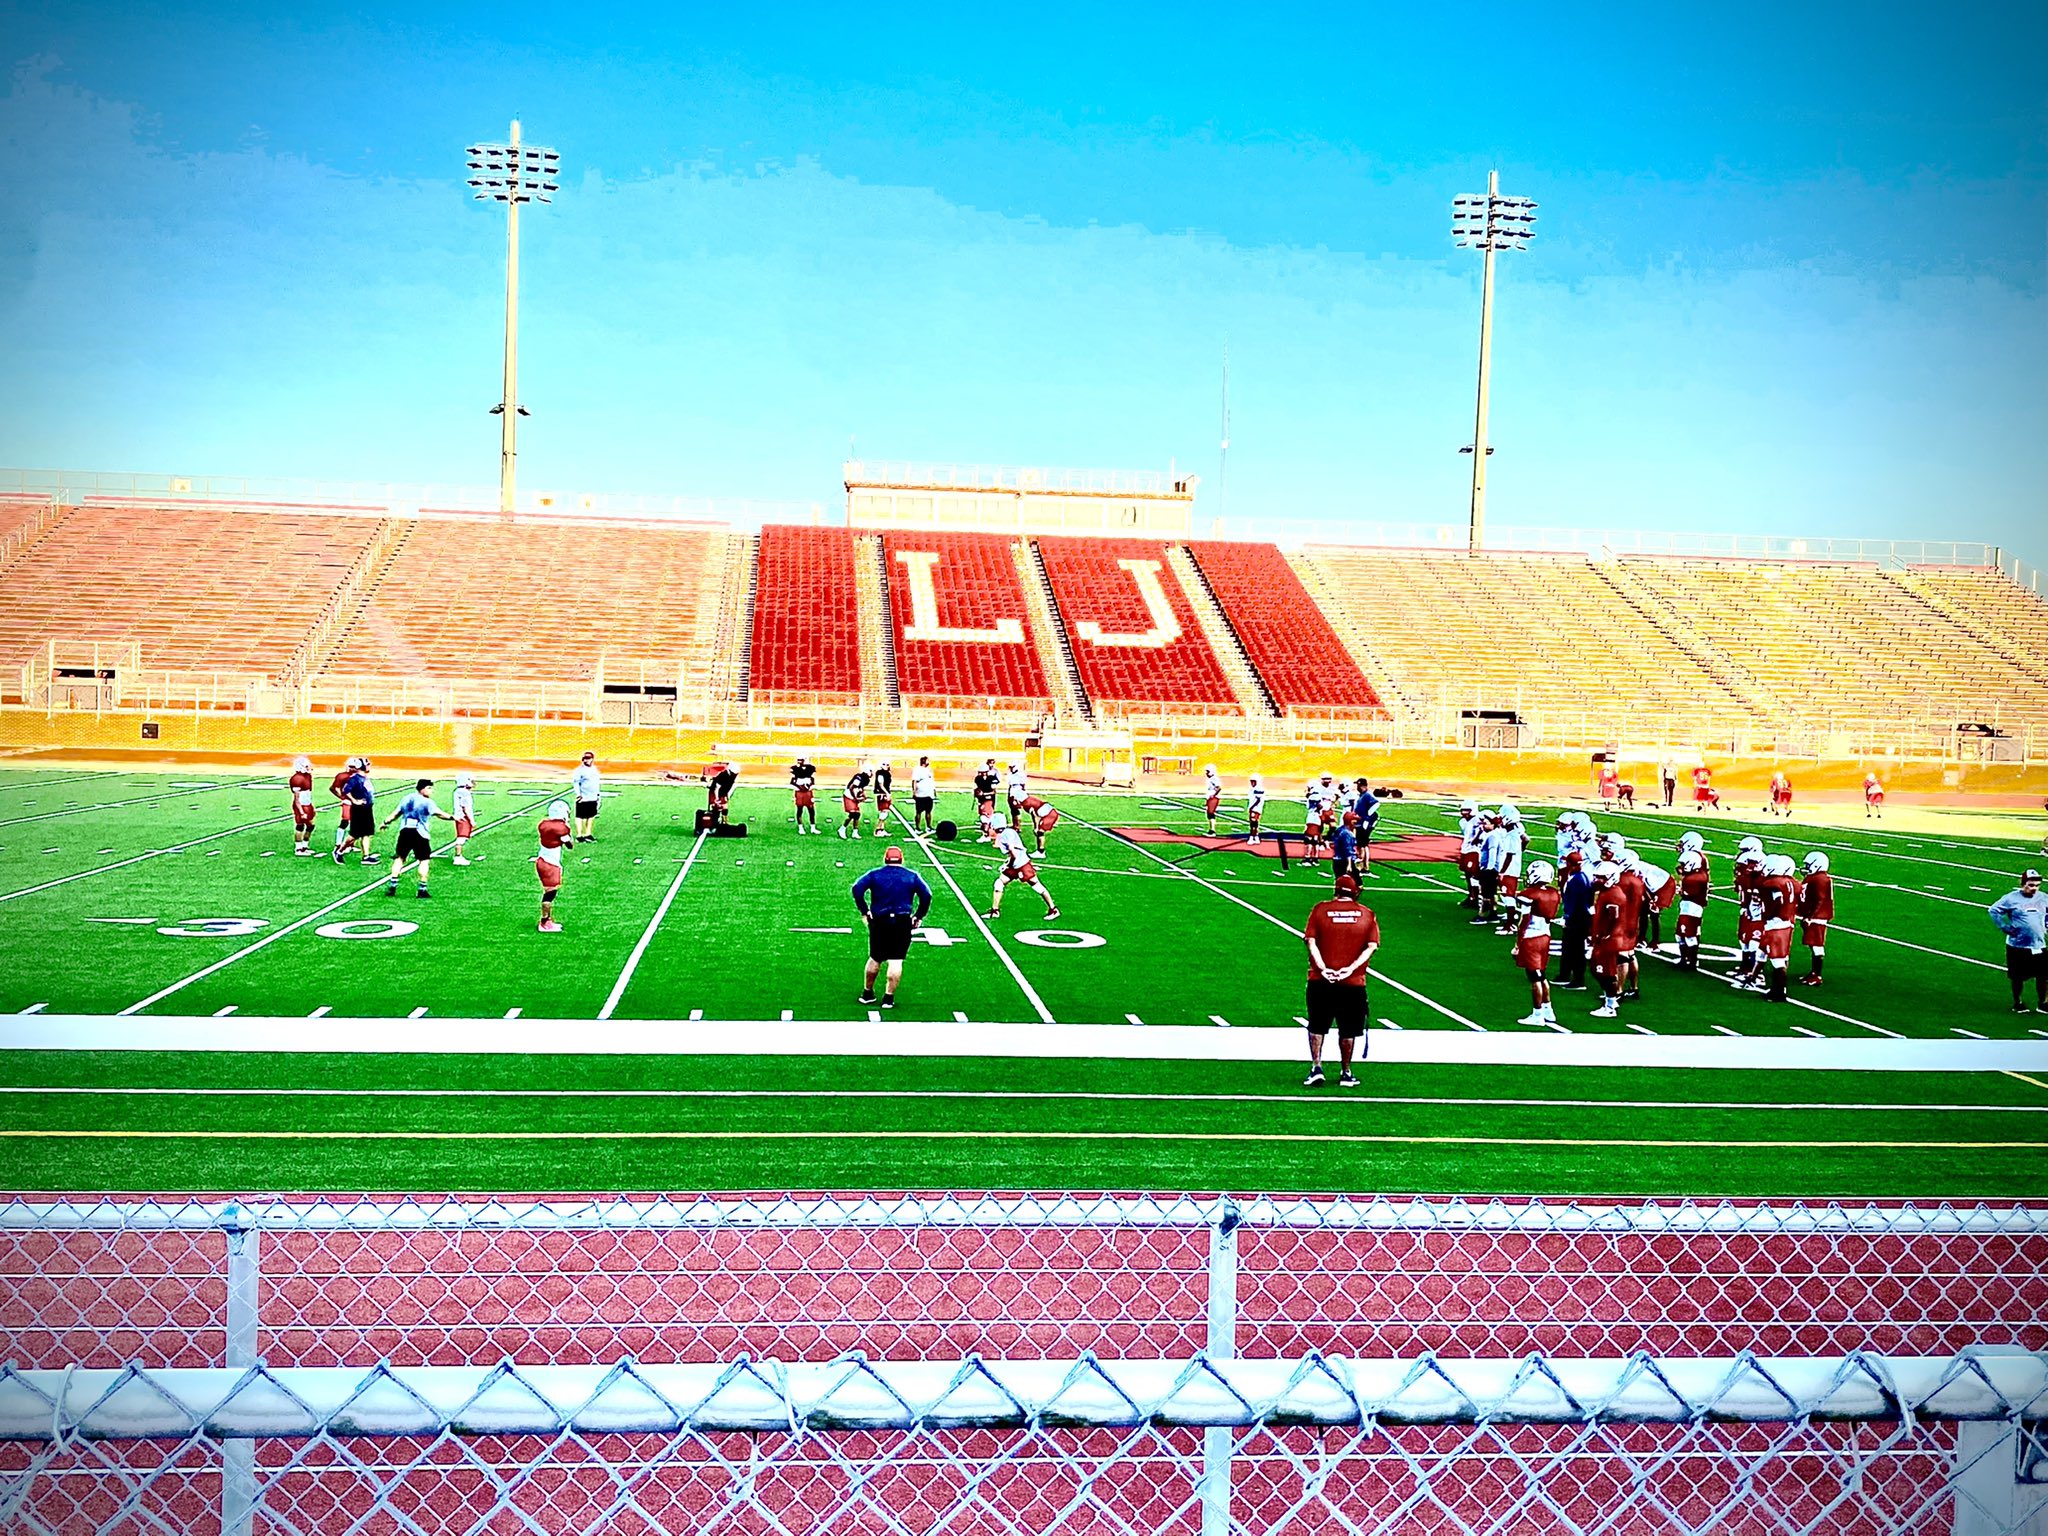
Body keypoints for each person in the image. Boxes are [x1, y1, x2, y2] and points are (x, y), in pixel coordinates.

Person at [1301, 873, 1379, 1088]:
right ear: (1355, 891)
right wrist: (1350, 970)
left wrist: (1324, 968)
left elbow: (1310, 941)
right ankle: (1346, 1071)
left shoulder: (1320, 909)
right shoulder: (1366, 914)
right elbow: (1371, 947)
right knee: (1349, 1028)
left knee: (1317, 1024)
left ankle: (1316, 1067)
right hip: (1353, 983)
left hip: (1320, 980)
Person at [851, 845, 933, 1008]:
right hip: (902, 921)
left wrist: (865, 911)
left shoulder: (875, 875)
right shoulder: (911, 876)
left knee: (875, 957)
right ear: (902, 859)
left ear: (885, 859)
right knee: (896, 960)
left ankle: (868, 993)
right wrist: (918, 916)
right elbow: (926, 895)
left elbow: (857, 889)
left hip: (880, 920)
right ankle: (888, 998)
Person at [379, 777, 455, 898]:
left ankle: (392, 886)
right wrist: (452, 817)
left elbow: (395, 814)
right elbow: (440, 814)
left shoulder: (406, 798)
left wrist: (385, 822)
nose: (431, 791)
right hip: (421, 833)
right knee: (424, 860)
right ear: (422, 789)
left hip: (405, 832)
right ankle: (422, 889)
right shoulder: (427, 802)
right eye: (429, 788)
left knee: (400, 858)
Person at [1988, 869, 2047, 1014]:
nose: (2034, 888)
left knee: (2045, 976)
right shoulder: (2011, 898)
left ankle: (2044, 1003)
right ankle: (2018, 1002)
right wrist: (2004, 927)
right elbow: (1993, 910)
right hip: (2018, 945)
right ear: (2023, 883)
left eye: (2037, 885)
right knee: (2017, 977)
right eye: (2031, 885)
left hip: (2039, 944)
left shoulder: (2044, 898)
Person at [1512, 861, 1561, 1028]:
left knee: (1534, 977)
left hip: (1532, 937)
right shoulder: (1554, 893)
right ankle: (1548, 1010)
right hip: (1546, 935)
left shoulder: (1529, 894)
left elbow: (1524, 921)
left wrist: (1518, 944)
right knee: (1542, 975)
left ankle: (1537, 1013)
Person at [985, 824, 1059, 922]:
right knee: (999, 883)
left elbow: (1013, 852)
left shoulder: (1004, 835)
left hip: (1022, 865)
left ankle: (1053, 909)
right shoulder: (1008, 832)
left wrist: (1008, 864)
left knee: (1037, 886)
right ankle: (995, 910)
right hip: (1016, 864)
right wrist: (1008, 863)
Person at [1755, 853, 1800, 1002]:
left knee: (1777, 961)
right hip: (1786, 923)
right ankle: (1776, 988)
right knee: (1775, 957)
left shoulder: (1772, 883)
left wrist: (1770, 913)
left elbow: (1778, 899)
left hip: (1776, 924)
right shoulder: (1792, 882)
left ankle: (1779, 992)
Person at [1588, 862, 1628, 1018]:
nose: (1597, 880)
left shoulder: (1613, 894)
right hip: (1606, 938)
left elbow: (1613, 916)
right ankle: (1610, 1000)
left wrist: (1605, 934)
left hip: (1609, 939)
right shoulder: (1607, 892)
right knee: (1598, 970)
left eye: (1601, 877)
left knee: (1606, 973)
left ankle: (1610, 1005)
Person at [1556, 851, 1593, 990]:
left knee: (1575, 949)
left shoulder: (1577, 880)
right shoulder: (1581, 877)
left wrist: (1568, 918)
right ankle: (1565, 975)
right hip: (1580, 917)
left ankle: (1578, 979)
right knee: (1569, 947)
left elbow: (1575, 902)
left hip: (1577, 918)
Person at [533, 799, 573, 932]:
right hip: (550, 863)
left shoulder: (543, 824)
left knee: (549, 892)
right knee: (550, 893)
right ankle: (544, 922)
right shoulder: (561, 827)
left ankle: (547, 920)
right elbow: (569, 845)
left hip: (542, 860)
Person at [1797, 851, 1833, 985]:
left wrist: (1810, 916)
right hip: (1813, 915)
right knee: (1813, 944)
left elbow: (1820, 899)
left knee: (1816, 945)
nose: (1806, 867)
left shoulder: (1820, 879)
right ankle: (1813, 973)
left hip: (1816, 917)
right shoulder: (1815, 878)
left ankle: (1816, 975)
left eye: (1808, 864)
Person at [334, 757, 379, 865]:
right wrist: (355, 801)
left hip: (367, 808)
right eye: (367, 765)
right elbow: (346, 790)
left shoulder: (364, 777)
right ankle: (339, 851)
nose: (369, 767)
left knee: (367, 833)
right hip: (359, 810)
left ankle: (366, 856)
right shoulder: (355, 779)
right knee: (354, 834)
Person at [1673, 848, 1709, 971]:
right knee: (1681, 935)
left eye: (1684, 864)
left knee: (1689, 935)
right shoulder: (1696, 875)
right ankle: (1686, 959)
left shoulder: (1694, 878)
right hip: (1688, 907)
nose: (1681, 866)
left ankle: (1691, 961)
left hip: (1692, 909)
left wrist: (1680, 891)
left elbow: (1687, 893)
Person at [328, 757, 358, 858]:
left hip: (357, 802)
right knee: (345, 822)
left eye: (355, 767)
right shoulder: (342, 776)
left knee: (355, 823)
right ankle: (338, 844)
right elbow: (332, 788)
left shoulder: (358, 776)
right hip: (348, 802)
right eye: (351, 767)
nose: (353, 769)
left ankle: (350, 844)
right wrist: (341, 797)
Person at [570, 751, 602, 844]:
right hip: (584, 796)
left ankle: (588, 834)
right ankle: (579, 835)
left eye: (589, 758)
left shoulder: (594, 769)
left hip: (593, 796)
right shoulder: (579, 770)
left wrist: (598, 795)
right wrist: (578, 794)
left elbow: (596, 783)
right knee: (580, 816)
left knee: (591, 816)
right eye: (585, 758)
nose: (587, 760)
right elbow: (576, 783)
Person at [1350, 778, 1381, 873]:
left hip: (1364, 823)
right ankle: (1365, 865)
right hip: (1360, 822)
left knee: (1362, 844)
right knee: (1363, 844)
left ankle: (1361, 866)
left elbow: (1376, 804)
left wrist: (1367, 817)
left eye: (1358, 785)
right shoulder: (1362, 795)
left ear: (1362, 785)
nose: (1357, 787)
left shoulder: (1367, 795)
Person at [288, 755, 316, 856]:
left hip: (307, 804)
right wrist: (301, 811)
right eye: (307, 766)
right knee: (300, 825)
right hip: (301, 805)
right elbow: (297, 798)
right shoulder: (297, 779)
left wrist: (310, 806)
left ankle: (305, 846)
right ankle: (298, 848)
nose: (309, 767)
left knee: (311, 825)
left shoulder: (307, 776)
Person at [704, 760, 739, 828]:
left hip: (723, 793)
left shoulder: (731, 777)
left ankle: (724, 822)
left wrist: (727, 796)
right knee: (716, 807)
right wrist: (716, 799)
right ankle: (714, 822)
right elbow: (716, 788)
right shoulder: (723, 775)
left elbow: (730, 787)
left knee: (724, 807)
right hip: (715, 792)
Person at [451, 773, 477, 865]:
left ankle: (458, 856)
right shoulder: (464, 792)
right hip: (463, 817)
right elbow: (467, 808)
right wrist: (472, 821)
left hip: (459, 816)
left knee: (461, 837)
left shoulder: (458, 791)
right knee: (461, 838)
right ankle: (458, 857)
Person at [1329, 811, 1359, 885]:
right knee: (1358, 884)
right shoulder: (1347, 833)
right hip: (1344, 861)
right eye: (1354, 820)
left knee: (1339, 883)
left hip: (1337, 860)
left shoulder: (1340, 830)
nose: (1356, 822)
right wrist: (1349, 864)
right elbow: (1347, 849)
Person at [790, 757, 819, 833]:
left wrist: (808, 787)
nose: (799, 761)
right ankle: (801, 828)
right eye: (799, 760)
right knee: (800, 809)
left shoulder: (810, 768)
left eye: (801, 760)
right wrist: (800, 787)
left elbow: (812, 779)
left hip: (808, 791)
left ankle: (813, 828)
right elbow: (792, 781)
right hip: (799, 791)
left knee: (811, 809)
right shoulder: (795, 769)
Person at [839, 768, 870, 839]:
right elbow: (851, 787)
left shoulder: (866, 779)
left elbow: (860, 788)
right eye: (870, 771)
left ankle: (855, 832)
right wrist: (856, 798)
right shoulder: (859, 777)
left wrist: (863, 795)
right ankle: (842, 829)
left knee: (857, 814)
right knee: (853, 813)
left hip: (853, 796)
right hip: (849, 796)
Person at [911, 756, 938, 832]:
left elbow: (931, 781)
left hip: (929, 794)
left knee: (928, 811)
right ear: (924, 761)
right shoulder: (918, 770)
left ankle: (928, 826)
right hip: (920, 794)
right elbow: (914, 781)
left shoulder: (928, 770)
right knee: (918, 811)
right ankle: (917, 827)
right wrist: (914, 791)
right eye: (927, 761)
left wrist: (934, 790)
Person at [972, 759, 1001, 826]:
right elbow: (976, 788)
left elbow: (993, 792)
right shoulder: (978, 779)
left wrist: (984, 794)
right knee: (981, 812)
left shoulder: (992, 778)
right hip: (981, 799)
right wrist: (976, 793)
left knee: (987, 813)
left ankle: (989, 825)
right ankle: (985, 824)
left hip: (989, 799)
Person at [871, 760, 895, 836]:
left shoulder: (887, 773)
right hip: (882, 794)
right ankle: (878, 829)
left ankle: (881, 829)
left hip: (884, 793)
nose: (886, 766)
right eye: (884, 764)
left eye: (887, 764)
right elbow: (881, 784)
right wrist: (887, 793)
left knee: (884, 812)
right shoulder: (880, 773)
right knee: (884, 812)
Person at [1004, 761, 1029, 827]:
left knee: (1016, 809)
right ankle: (1015, 824)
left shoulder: (1021, 774)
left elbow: (1023, 785)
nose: (1011, 768)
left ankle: (1018, 826)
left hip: (1018, 791)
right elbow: (1010, 784)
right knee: (1013, 809)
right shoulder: (1010, 774)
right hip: (1012, 791)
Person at [1202, 765, 1224, 834]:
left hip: (1214, 798)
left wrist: (1213, 795)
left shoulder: (1214, 779)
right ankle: (1211, 829)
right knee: (1209, 813)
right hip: (1211, 797)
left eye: (1208, 771)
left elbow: (1219, 787)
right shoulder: (1211, 779)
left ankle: (1212, 830)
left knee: (1211, 813)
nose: (1206, 773)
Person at [1245, 775, 1266, 844]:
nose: (1252, 783)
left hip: (1256, 808)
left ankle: (1252, 836)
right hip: (1254, 808)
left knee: (1254, 823)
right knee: (1253, 823)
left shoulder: (1259, 789)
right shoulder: (1253, 789)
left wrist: (1251, 807)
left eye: (1254, 781)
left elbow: (1258, 799)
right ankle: (1255, 836)